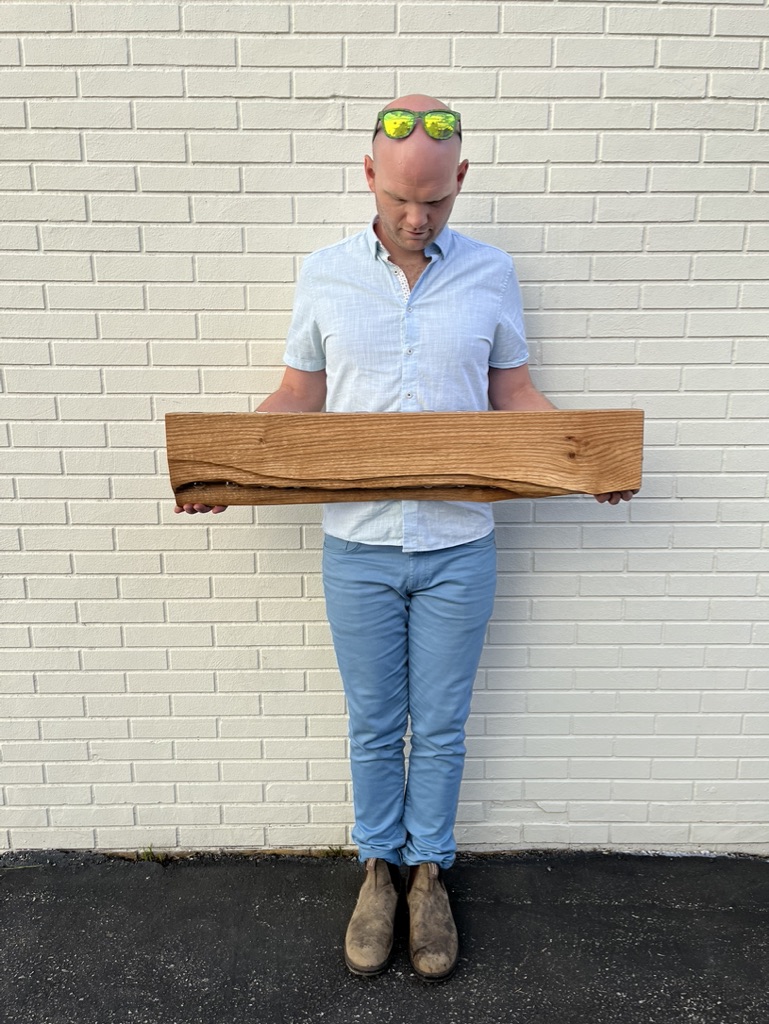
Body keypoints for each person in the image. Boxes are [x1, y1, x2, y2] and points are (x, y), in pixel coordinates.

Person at [175, 95, 634, 981]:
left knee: (446, 722)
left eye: (436, 201)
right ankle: (376, 873)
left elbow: (516, 397)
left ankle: (430, 875)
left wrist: (586, 462)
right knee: (375, 722)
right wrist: (224, 470)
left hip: (460, 542)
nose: (416, 219)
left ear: (460, 180)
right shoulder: (324, 274)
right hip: (358, 543)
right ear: (368, 177)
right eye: (399, 201)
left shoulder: (491, 274)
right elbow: (298, 398)